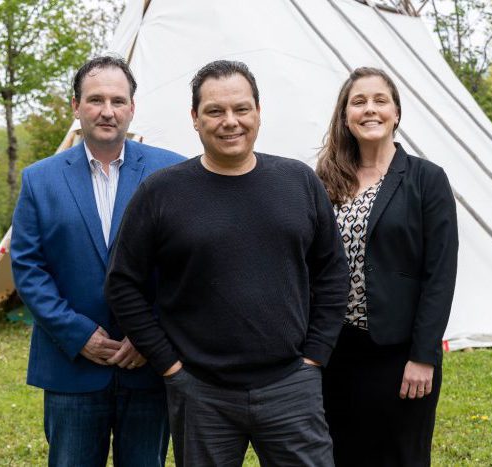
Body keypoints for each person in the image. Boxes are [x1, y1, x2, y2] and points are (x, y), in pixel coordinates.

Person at [105, 60, 348, 467]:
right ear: (195, 119)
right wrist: (170, 366)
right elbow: (122, 284)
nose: (230, 122)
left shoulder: (299, 182)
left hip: (291, 385)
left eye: (241, 109)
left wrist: (315, 356)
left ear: (258, 111)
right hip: (201, 392)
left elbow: (332, 271)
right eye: (215, 111)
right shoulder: (161, 192)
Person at [10, 55, 185, 467]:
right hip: (72, 367)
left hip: (147, 364)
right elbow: (28, 267)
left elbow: (185, 265)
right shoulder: (40, 179)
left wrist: (149, 334)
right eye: (95, 100)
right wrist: (78, 334)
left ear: (132, 108)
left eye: (118, 101)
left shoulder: (172, 171)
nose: (108, 111)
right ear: (75, 107)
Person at [316, 66, 458, 466]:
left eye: (380, 100)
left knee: (401, 457)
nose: (369, 109)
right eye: (358, 102)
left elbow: (440, 274)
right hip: (337, 353)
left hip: (400, 354)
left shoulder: (426, 180)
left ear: (396, 112)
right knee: (342, 454)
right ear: (345, 116)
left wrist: (423, 356)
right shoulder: (326, 180)